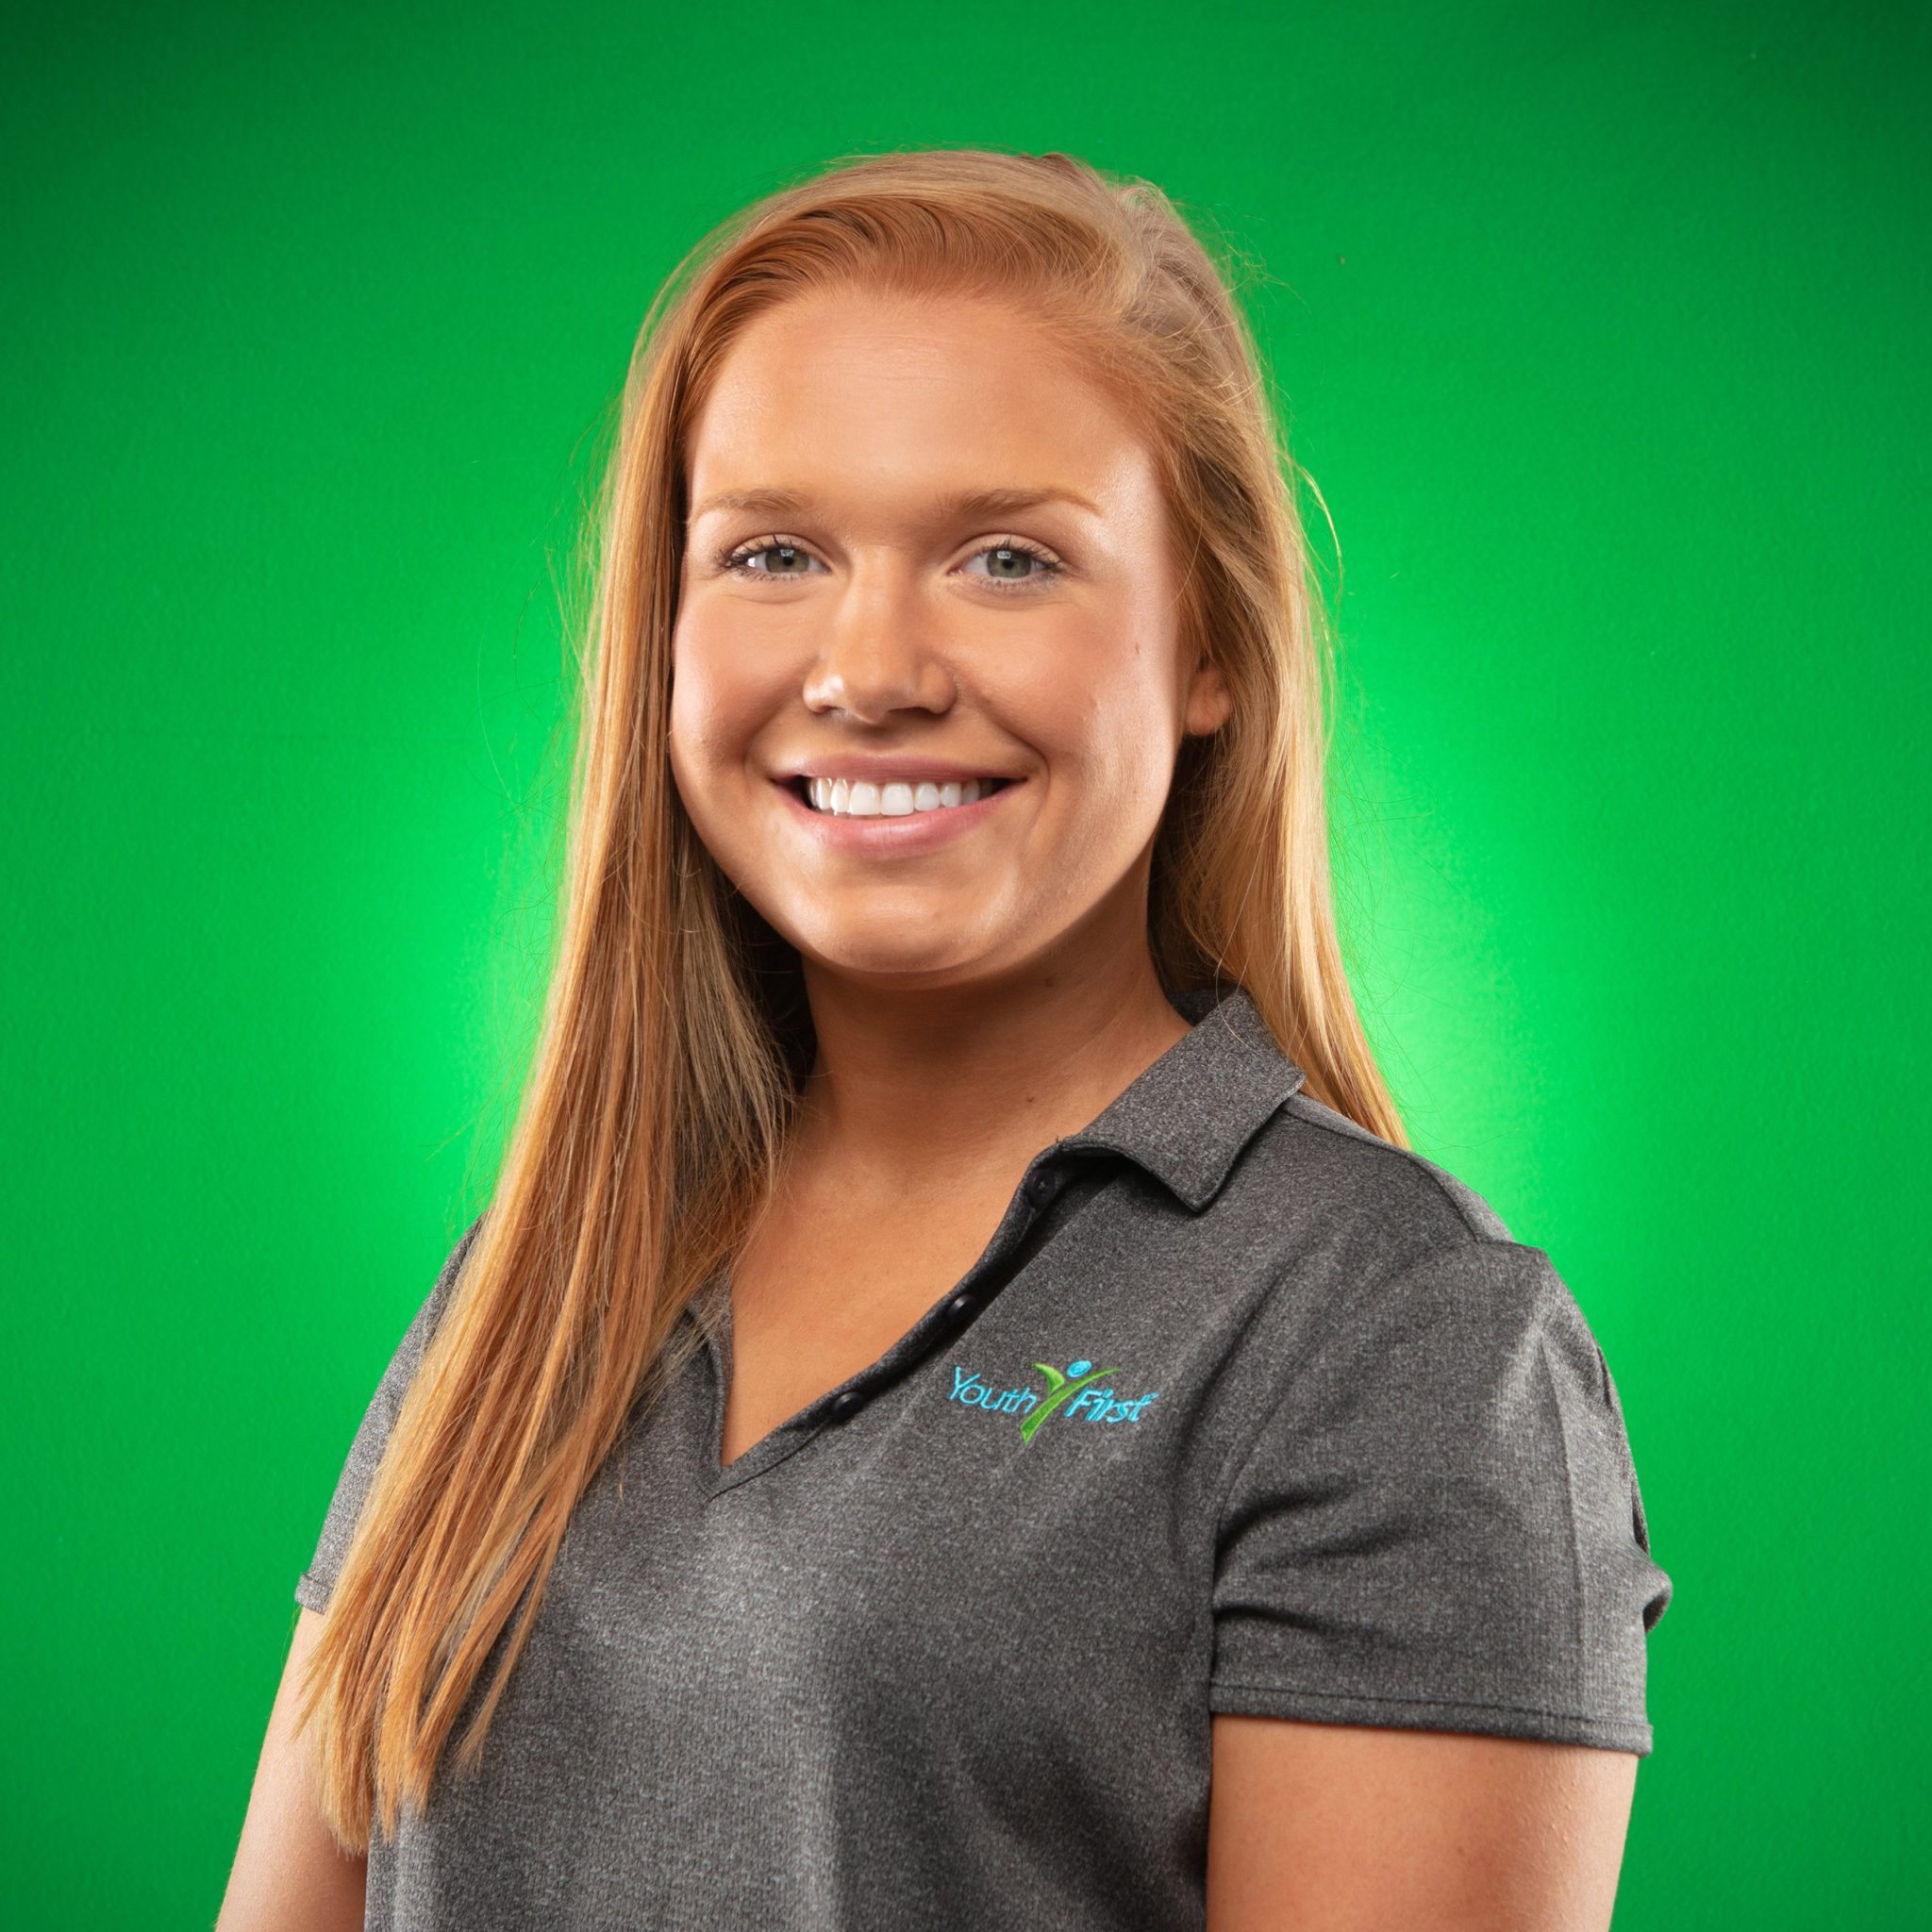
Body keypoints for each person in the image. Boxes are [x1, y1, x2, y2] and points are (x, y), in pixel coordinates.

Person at [218, 147, 1672, 1931]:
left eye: (1007, 559)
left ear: (1209, 646)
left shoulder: (1401, 1339)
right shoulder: (531, 1289)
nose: (871, 669)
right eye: (773, 553)